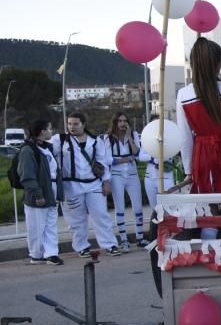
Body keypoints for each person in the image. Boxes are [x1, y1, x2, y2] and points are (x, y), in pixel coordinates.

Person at [176, 38, 221, 241]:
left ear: (193, 64)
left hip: (202, 156)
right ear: (218, 64)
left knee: (209, 215)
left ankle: (212, 264)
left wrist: (189, 170)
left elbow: (185, 139)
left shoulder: (183, 94)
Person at [52, 112, 120, 257]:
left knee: (101, 215)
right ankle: (81, 246)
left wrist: (106, 181)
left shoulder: (95, 141)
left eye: (76, 124)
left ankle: (110, 244)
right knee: (76, 220)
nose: (72, 127)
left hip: (94, 184)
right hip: (71, 186)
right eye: (69, 124)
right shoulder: (60, 140)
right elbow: (46, 150)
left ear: (83, 124)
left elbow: (103, 162)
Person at [17, 119, 63, 265]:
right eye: (49, 129)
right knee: (37, 225)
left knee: (50, 224)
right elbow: (27, 175)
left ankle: (51, 253)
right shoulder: (28, 150)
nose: (51, 131)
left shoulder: (46, 148)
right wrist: (37, 194)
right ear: (42, 131)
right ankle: (36, 254)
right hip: (39, 193)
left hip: (51, 190)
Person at [103, 112, 145, 249]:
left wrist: (129, 138)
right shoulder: (108, 138)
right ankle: (123, 240)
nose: (122, 123)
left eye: (125, 121)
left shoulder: (133, 135)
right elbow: (109, 159)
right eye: (119, 121)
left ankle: (140, 237)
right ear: (115, 122)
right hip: (116, 175)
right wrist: (127, 159)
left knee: (138, 207)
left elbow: (137, 153)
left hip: (132, 174)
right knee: (119, 207)